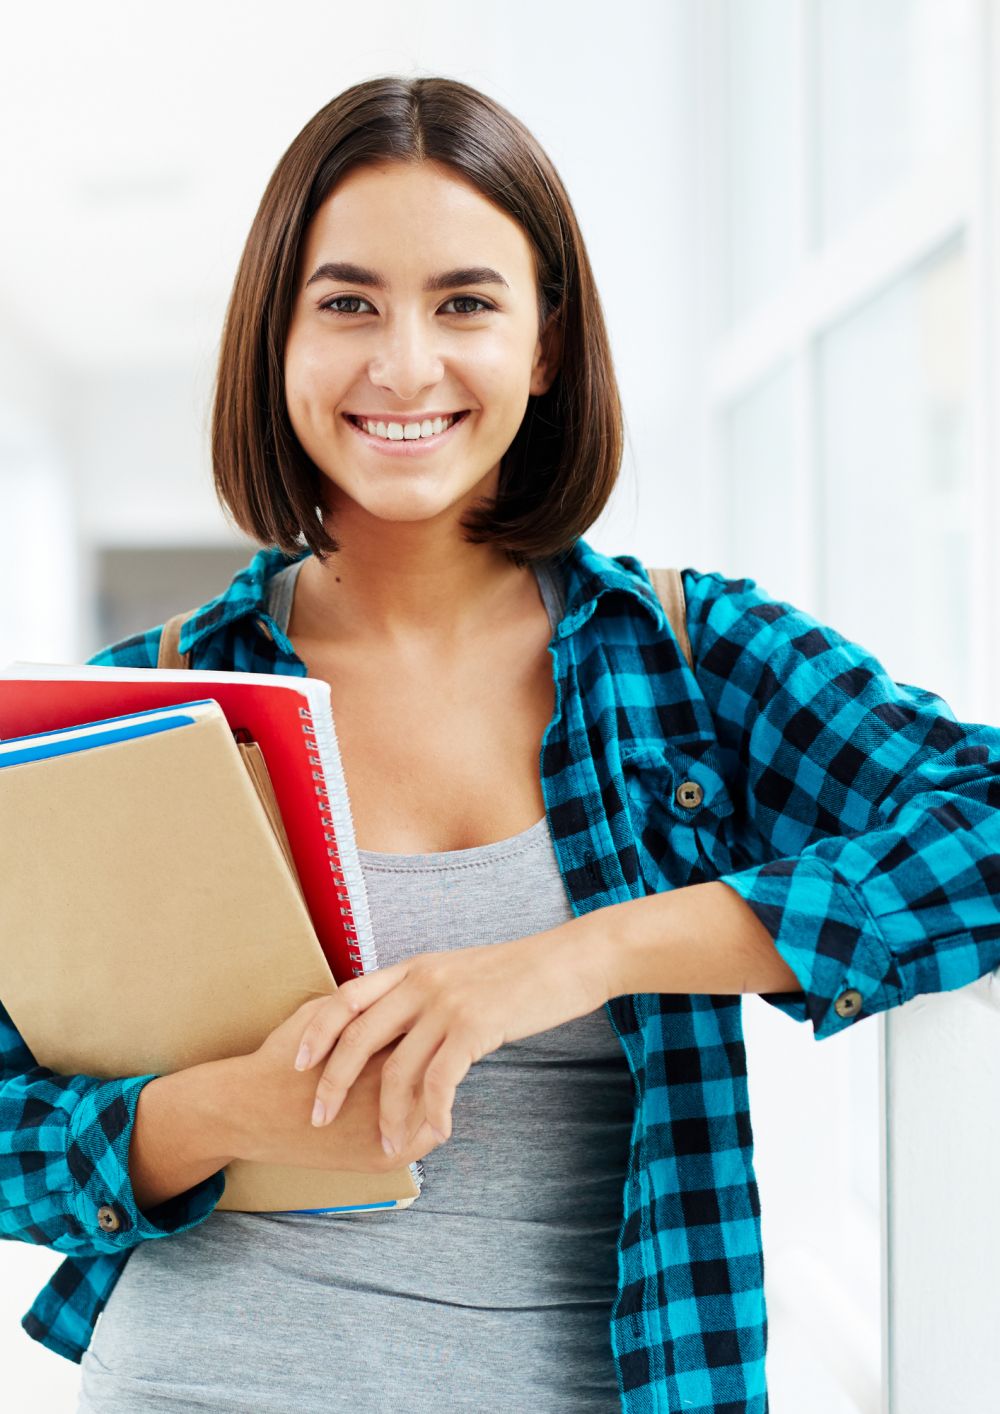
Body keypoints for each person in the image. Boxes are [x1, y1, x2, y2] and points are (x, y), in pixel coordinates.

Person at [3, 74, 999, 1414]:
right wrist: (232, 1111)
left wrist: (569, 958)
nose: (403, 363)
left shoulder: (689, 659)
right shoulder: (142, 708)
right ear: (275, 344)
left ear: (544, 344)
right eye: (347, 303)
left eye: (464, 302)